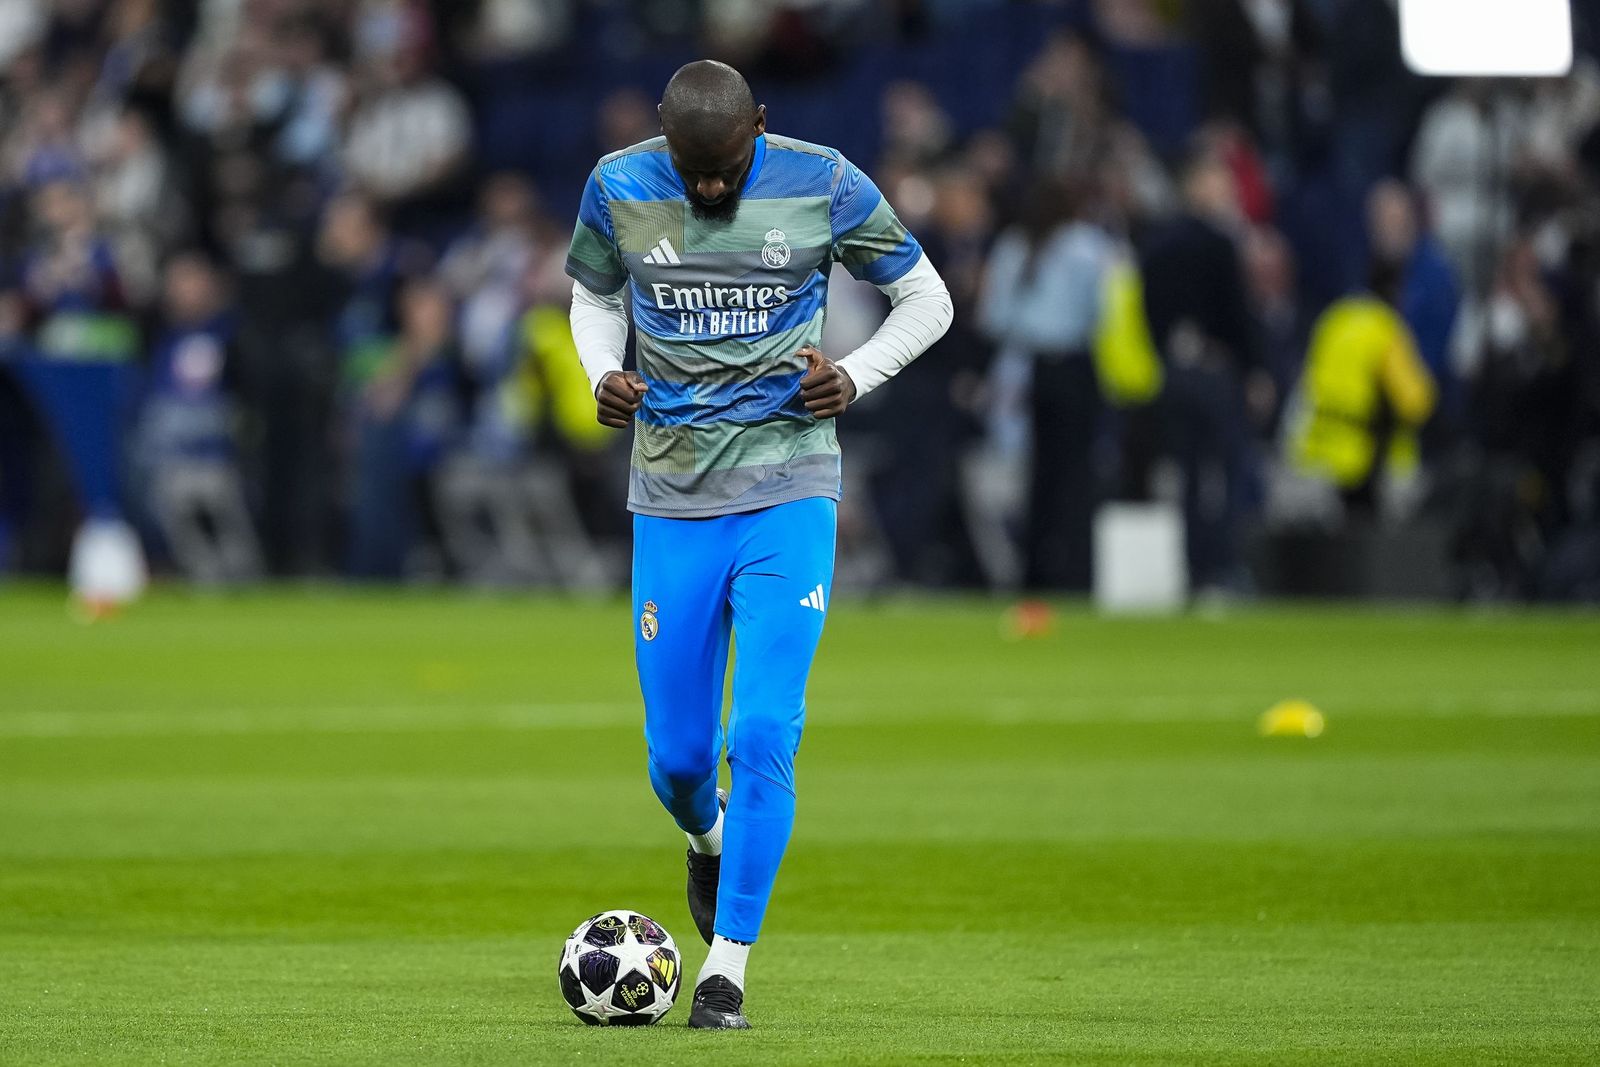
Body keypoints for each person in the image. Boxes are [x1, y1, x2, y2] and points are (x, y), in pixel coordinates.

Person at [564, 60, 952, 1029]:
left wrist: (854, 376)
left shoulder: (822, 181)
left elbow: (928, 298)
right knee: (680, 758)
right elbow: (594, 297)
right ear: (664, 141)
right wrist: (599, 370)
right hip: (671, 498)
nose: (706, 188)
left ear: (760, 129)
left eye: (725, 168)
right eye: (691, 170)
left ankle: (727, 965)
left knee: (763, 731)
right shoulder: (616, 184)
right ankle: (706, 834)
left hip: (789, 492)